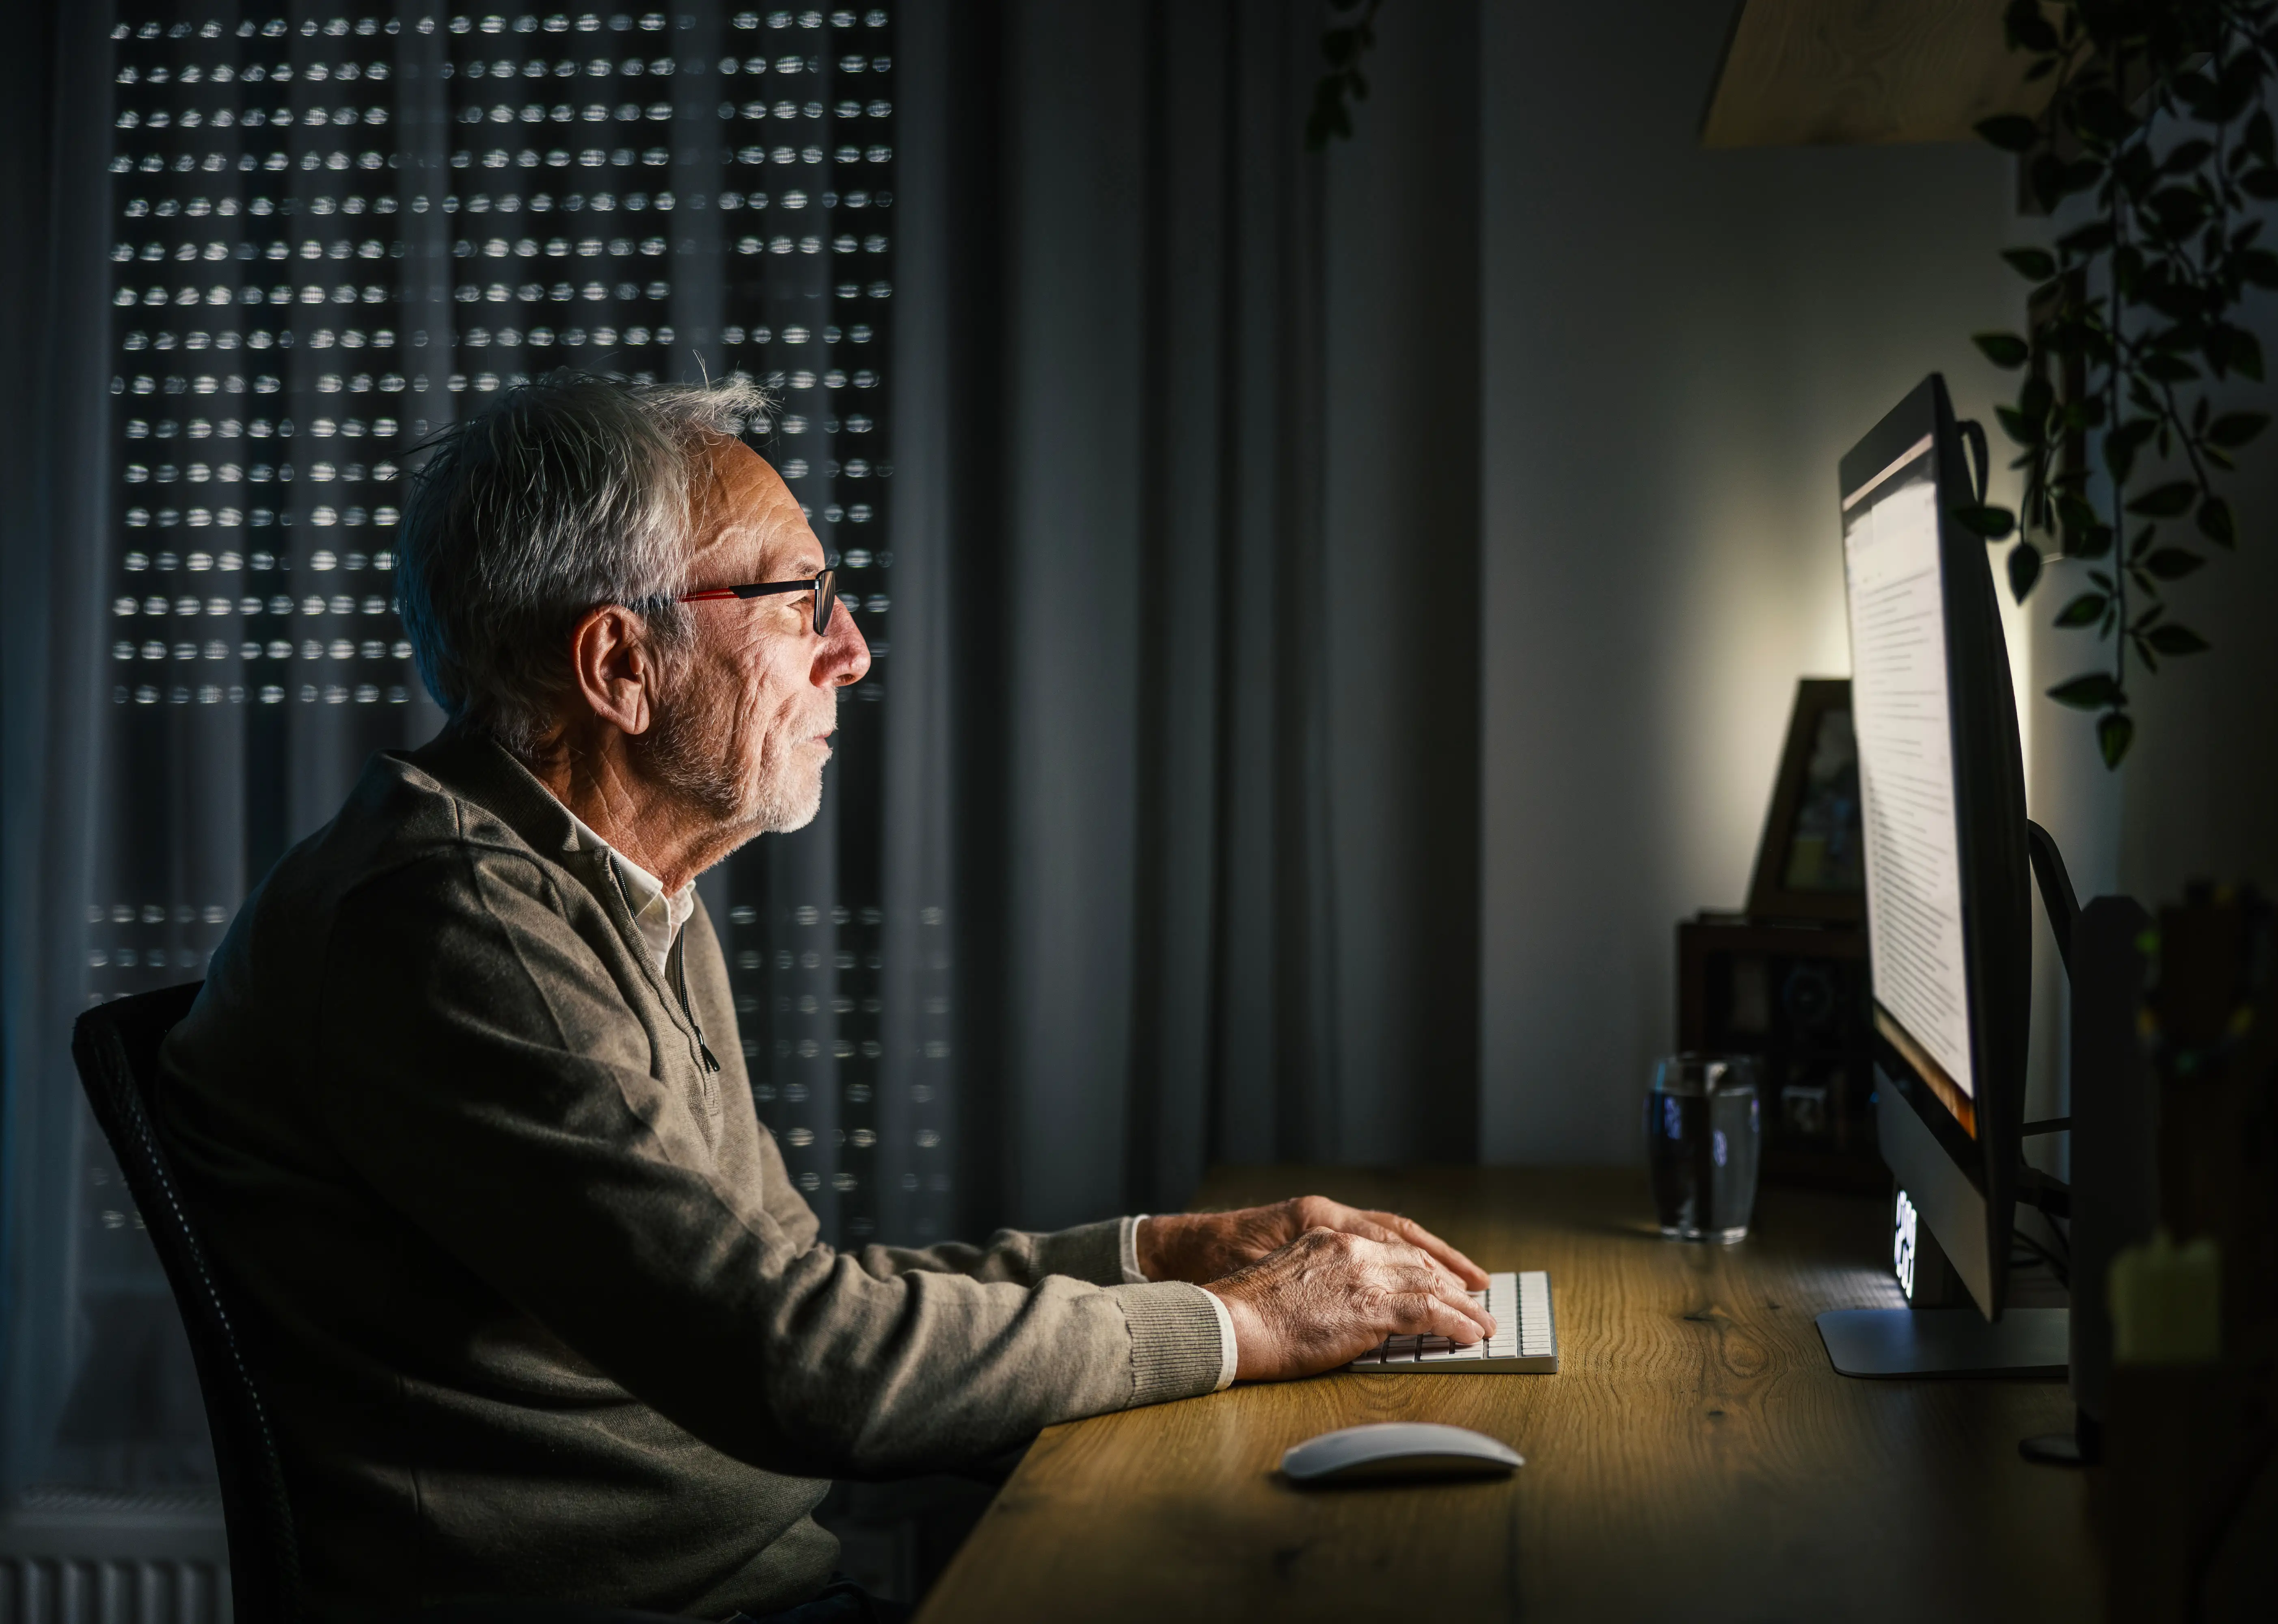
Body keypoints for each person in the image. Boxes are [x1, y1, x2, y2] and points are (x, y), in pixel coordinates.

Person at [157, 373, 1495, 1621]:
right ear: (620, 666)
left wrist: (1161, 1257)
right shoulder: (448, 922)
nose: (850, 650)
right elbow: (799, 1369)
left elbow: (799, 1300)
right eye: (798, 599)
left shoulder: (617, 886)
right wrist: (1251, 1326)